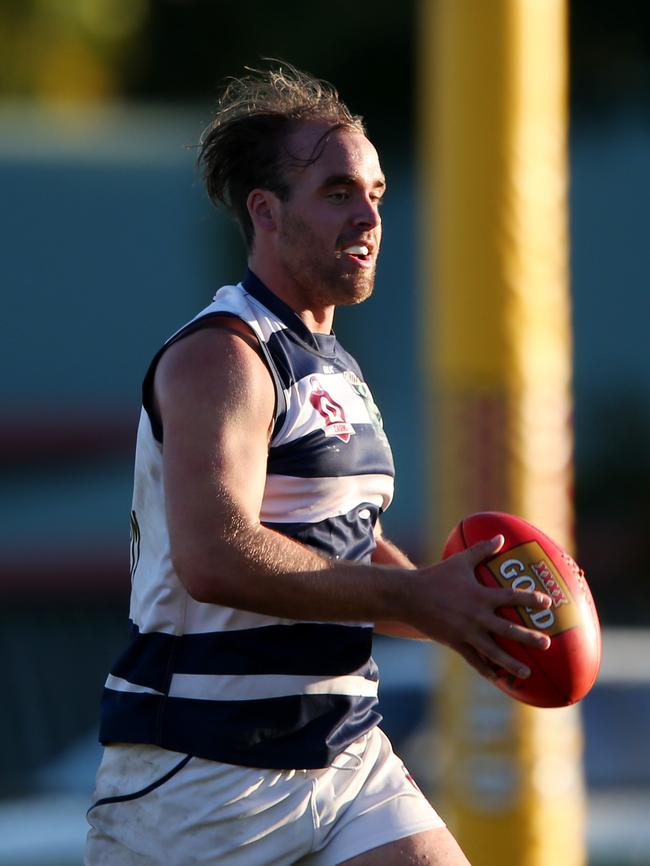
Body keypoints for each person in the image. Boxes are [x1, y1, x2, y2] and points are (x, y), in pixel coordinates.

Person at [85, 62, 552, 866]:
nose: (370, 214)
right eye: (338, 192)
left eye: (375, 190)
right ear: (265, 212)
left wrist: (458, 612)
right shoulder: (223, 357)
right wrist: (414, 594)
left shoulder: (330, 364)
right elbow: (216, 556)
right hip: (202, 773)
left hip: (343, 753)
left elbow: (339, 542)